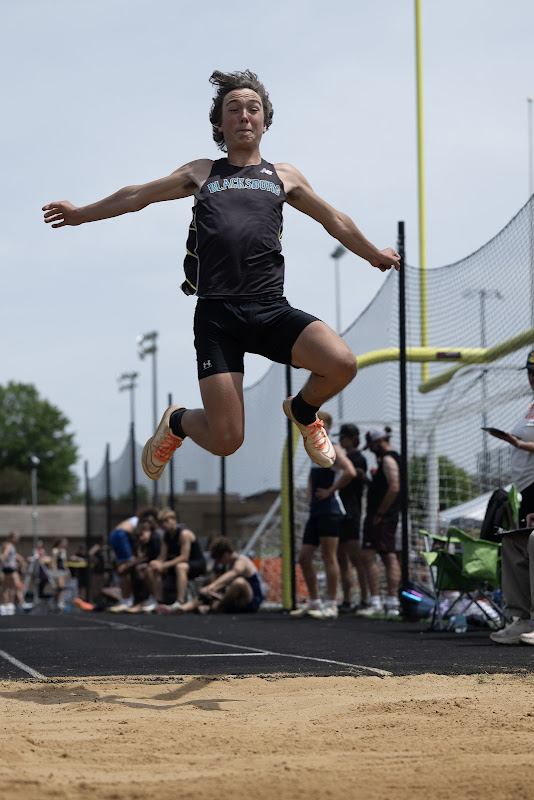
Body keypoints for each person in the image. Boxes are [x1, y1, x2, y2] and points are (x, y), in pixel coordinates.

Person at [43, 69, 400, 484]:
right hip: (217, 318)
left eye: (253, 109)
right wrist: (80, 214)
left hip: (270, 310)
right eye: (234, 110)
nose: (244, 116)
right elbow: (137, 195)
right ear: (220, 123)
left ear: (265, 122)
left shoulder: (284, 176)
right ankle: (178, 422)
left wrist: (372, 253)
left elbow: (334, 219)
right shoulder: (201, 172)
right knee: (228, 439)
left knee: (341, 364)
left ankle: (303, 410)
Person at [290, 411, 356, 620]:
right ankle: (315, 601)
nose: (313, 425)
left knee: (329, 557)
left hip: (330, 510)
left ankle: (331, 604)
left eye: (317, 422)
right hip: (316, 510)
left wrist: (331, 490)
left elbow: (350, 471)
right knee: (304, 557)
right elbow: (312, 477)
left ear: (326, 425)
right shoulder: (313, 448)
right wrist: (310, 496)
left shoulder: (333, 447)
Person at [487, 352, 534, 644]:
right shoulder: (530, 405)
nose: (532, 376)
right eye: (530, 371)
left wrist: (517, 443)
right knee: (513, 542)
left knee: (533, 541)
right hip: (527, 490)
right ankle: (523, 618)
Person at [357, 426, 401, 618]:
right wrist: (367, 480)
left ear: (379, 442)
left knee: (382, 555)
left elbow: (394, 488)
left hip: (382, 516)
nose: (371, 450)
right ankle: (388, 602)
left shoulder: (389, 459)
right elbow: (384, 487)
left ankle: (383, 601)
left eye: (372, 446)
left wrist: (380, 513)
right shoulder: (387, 460)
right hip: (381, 515)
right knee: (382, 554)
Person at [166, 537, 263, 615]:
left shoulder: (241, 561)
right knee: (211, 589)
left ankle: (216, 607)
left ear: (225, 554)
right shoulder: (229, 564)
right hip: (236, 602)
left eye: (220, 559)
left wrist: (213, 585)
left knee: (239, 582)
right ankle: (182, 608)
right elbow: (224, 582)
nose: (220, 562)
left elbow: (233, 573)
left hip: (251, 600)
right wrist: (210, 589)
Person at [336, 423, 369, 613]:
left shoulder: (358, 458)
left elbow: (353, 476)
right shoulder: (343, 458)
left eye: (344, 437)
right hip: (340, 512)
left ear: (352, 438)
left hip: (352, 513)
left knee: (356, 558)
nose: (341, 440)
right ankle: (347, 599)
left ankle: (365, 598)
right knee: (341, 557)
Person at [149, 509, 206, 612]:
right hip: (175, 564)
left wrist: (164, 565)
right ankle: (158, 601)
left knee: (180, 566)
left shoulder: (184, 534)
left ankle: (180, 601)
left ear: (174, 520)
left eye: (166, 521)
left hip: (196, 564)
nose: (164, 525)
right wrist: (156, 562)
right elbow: (162, 556)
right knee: (155, 568)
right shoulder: (165, 536)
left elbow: (184, 557)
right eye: (161, 522)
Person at [0, 532, 30, 614]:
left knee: (6, 587)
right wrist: (10, 562)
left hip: (7, 568)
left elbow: (13, 555)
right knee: (17, 585)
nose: (17, 539)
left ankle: (7, 604)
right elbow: (5, 555)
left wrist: (20, 559)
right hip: (10, 568)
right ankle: (22, 603)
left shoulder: (8, 545)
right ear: (11, 537)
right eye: (16, 537)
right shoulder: (9, 545)